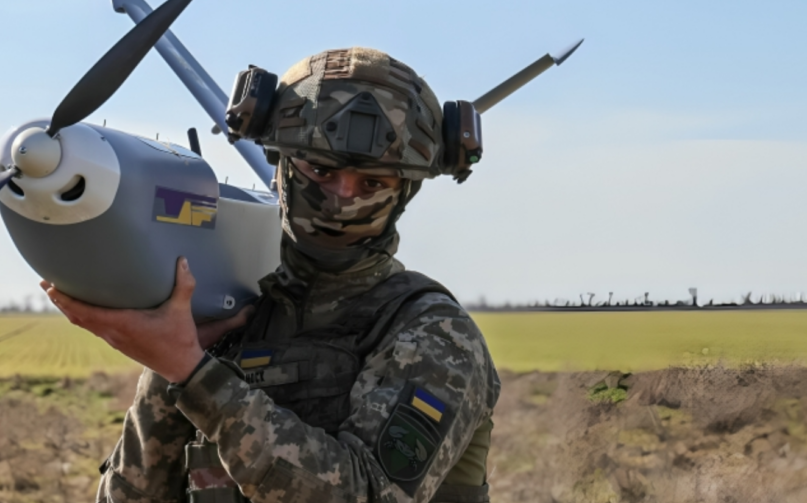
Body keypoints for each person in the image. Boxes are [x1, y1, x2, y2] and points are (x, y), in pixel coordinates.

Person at [45, 47, 501, 503]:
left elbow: (366, 493)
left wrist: (193, 372)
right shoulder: (228, 320)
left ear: (404, 191)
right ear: (280, 166)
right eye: (320, 170)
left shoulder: (436, 334)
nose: (342, 199)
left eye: (372, 183)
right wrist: (166, 372)